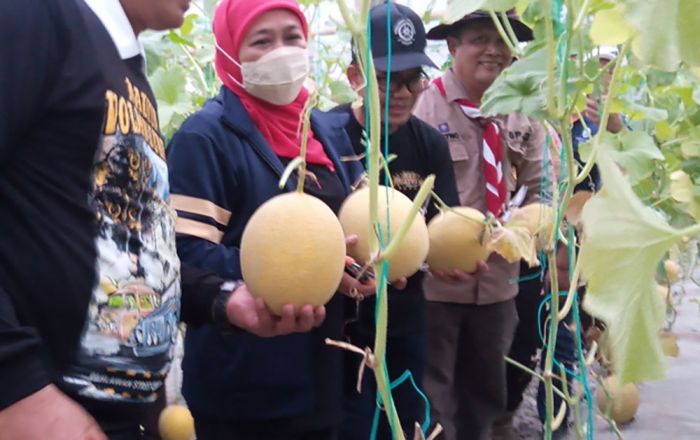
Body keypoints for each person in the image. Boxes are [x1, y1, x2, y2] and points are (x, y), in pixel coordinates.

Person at [0, 1, 323, 439]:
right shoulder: (37, 17)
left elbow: (135, 249)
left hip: (113, 415)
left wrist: (223, 300)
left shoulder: (127, 73)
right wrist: (18, 389)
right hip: (45, 408)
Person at [166, 0, 372, 438]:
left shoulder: (321, 131)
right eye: (262, 41)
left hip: (324, 374)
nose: (282, 51)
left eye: (292, 37)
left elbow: (340, 231)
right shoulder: (205, 138)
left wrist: (354, 267)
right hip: (244, 387)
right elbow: (180, 256)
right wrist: (296, 267)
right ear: (229, 51)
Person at [413, 10, 552, 440]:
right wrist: (425, 255)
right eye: (478, 38)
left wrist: (527, 229)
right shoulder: (422, 106)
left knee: (485, 391)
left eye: (502, 40)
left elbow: (542, 187)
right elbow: (399, 196)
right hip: (435, 284)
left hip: (498, 283)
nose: (493, 49)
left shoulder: (525, 112)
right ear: (452, 46)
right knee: (433, 391)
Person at [333, 3, 460, 439]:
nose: (403, 92)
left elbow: (445, 227)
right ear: (356, 77)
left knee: (402, 423)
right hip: (341, 326)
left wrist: (453, 252)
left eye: (413, 80)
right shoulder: (327, 135)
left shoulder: (429, 145)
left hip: (406, 321)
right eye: (388, 80)